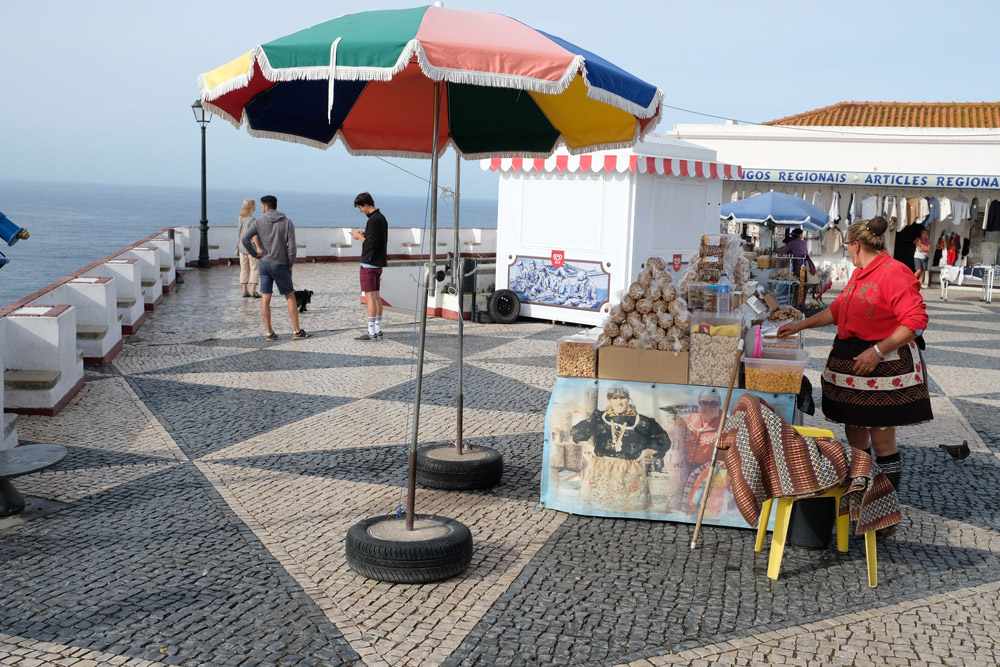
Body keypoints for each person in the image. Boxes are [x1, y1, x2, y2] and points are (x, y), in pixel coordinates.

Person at [777, 216, 931, 533]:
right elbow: (839, 310)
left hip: (884, 368)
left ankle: (884, 513)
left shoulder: (895, 273)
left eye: (847, 245)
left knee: (883, 439)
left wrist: (877, 352)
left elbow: (915, 321)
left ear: (856, 245)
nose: (848, 251)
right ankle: (861, 501)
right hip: (853, 371)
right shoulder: (860, 273)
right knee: (856, 438)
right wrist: (801, 324)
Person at [570, 385, 671, 511]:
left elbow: (664, 440)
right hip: (601, 470)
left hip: (630, 472)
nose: (619, 402)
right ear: (609, 399)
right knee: (598, 509)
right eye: (614, 398)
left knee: (630, 511)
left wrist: (645, 453)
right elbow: (576, 432)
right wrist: (592, 448)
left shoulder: (642, 422)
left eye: (622, 397)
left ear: (628, 399)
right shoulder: (599, 418)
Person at [241, 195, 310, 341]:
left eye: (262, 207)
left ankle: (269, 333)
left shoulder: (259, 222)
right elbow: (292, 248)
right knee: (290, 297)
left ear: (266, 207)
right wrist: (290, 264)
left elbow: (244, 239)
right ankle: (297, 331)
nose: (261, 209)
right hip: (280, 264)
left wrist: (255, 254)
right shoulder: (287, 223)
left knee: (266, 298)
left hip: (264, 264)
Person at [352, 192, 388, 340]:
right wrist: (365, 234)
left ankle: (371, 332)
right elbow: (376, 239)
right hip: (378, 262)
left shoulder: (373, 220)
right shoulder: (381, 218)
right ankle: (377, 329)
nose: (360, 211)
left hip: (369, 263)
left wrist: (359, 236)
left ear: (365, 205)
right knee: (376, 296)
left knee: (370, 298)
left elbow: (370, 244)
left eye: (360, 207)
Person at [236, 198, 260, 298]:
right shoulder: (252, 219)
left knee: (244, 269)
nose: (256, 207)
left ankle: (245, 291)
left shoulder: (240, 218)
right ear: (251, 207)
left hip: (241, 247)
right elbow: (254, 235)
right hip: (251, 248)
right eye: (254, 205)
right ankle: (254, 291)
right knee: (254, 269)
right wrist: (258, 247)